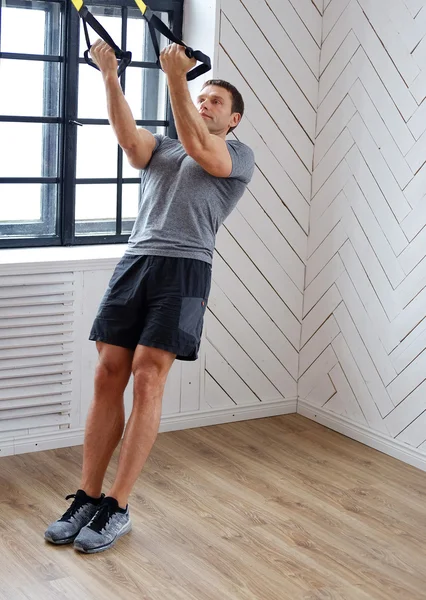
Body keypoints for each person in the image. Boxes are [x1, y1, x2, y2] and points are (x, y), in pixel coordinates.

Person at [44, 40, 255, 554]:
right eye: (201, 96)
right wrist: (111, 74)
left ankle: (117, 506)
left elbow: (200, 144)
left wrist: (176, 81)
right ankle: (87, 497)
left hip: (185, 270)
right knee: (107, 371)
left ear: (234, 122)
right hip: (136, 261)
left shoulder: (235, 155)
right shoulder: (163, 147)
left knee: (147, 376)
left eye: (216, 103)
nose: (205, 104)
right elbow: (126, 137)